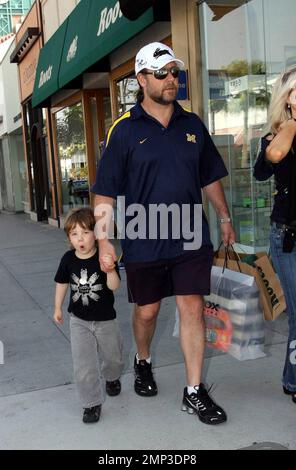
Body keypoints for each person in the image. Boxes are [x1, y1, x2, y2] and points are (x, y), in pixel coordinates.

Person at [91, 42, 235, 425]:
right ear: (141, 79)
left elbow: (210, 176)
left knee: (192, 308)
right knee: (148, 311)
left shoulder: (192, 124)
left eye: (175, 72)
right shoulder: (123, 131)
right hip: (143, 233)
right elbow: (104, 190)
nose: (171, 79)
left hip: (190, 233)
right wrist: (105, 238)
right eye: (162, 73)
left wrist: (223, 217)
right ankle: (143, 360)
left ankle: (193, 392)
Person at [53, 208, 123, 423]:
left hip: (105, 319)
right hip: (79, 321)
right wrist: (57, 307)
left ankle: (112, 378)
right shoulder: (68, 259)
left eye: (85, 232)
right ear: (69, 238)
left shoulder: (104, 257)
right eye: (74, 234)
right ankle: (91, 404)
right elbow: (62, 283)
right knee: (84, 365)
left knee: (113, 359)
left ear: (96, 234)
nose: (80, 238)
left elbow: (114, 286)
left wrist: (110, 270)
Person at [254, 66, 296, 404]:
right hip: (288, 237)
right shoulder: (273, 136)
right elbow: (266, 166)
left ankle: (291, 377)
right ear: (287, 97)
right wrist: (292, 125)